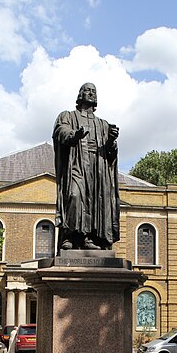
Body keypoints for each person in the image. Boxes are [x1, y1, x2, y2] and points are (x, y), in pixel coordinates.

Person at [53, 82, 120, 251]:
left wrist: (112, 140)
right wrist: (74, 135)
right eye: (87, 90)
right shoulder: (68, 116)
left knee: (96, 201)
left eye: (93, 91)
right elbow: (61, 132)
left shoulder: (103, 124)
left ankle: (90, 238)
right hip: (76, 163)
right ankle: (70, 236)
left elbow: (111, 155)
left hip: (98, 168)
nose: (90, 93)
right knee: (75, 196)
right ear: (80, 94)